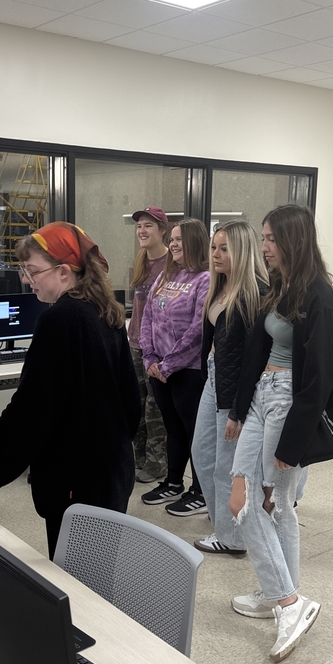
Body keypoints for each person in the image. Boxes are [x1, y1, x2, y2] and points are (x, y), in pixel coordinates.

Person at [0, 221, 141, 558]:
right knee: (94, 574)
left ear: (64, 272)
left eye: (32, 270)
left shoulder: (61, 320)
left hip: (75, 483)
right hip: (111, 473)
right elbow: (130, 401)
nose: (26, 279)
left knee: (75, 582)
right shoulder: (105, 311)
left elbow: (28, 415)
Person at [229, 204, 333, 663]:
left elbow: (320, 378)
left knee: (271, 502)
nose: (264, 248)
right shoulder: (280, 288)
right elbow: (259, 352)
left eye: (271, 240)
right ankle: (283, 593)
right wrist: (240, 409)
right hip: (265, 395)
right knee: (244, 497)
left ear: (293, 241)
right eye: (263, 239)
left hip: (289, 403)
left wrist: (294, 442)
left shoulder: (320, 296)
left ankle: (284, 599)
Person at [191, 221, 268, 554]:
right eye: (214, 247)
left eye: (225, 248)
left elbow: (253, 360)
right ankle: (222, 521)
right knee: (202, 453)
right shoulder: (218, 286)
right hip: (214, 377)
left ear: (243, 251)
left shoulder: (255, 294)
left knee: (226, 464)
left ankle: (232, 538)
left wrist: (238, 409)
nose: (216, 254)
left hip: (236, 386)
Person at [139, 218, 210, 515]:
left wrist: (168, 364)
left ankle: (201, 491)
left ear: (194, 242)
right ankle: (173, 483)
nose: (174, 244)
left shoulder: (206, 278)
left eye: (181, 239)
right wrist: (150, 358)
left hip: (188, 371)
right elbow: (148, 319)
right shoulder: (167, 276)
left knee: (195, 432)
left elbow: (199, 330)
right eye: (174, 239)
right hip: (160, 369)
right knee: (173, 429)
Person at [127, 207, 169, 485]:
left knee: (155, 410)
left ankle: (157, 464)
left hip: (158, 349)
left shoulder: (173, 263)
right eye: (139, 226)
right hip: (135, 343)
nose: (142, 231)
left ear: (163, 231)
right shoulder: (141, 260)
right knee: (135, 406)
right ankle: (138, 460)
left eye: (148, 226)